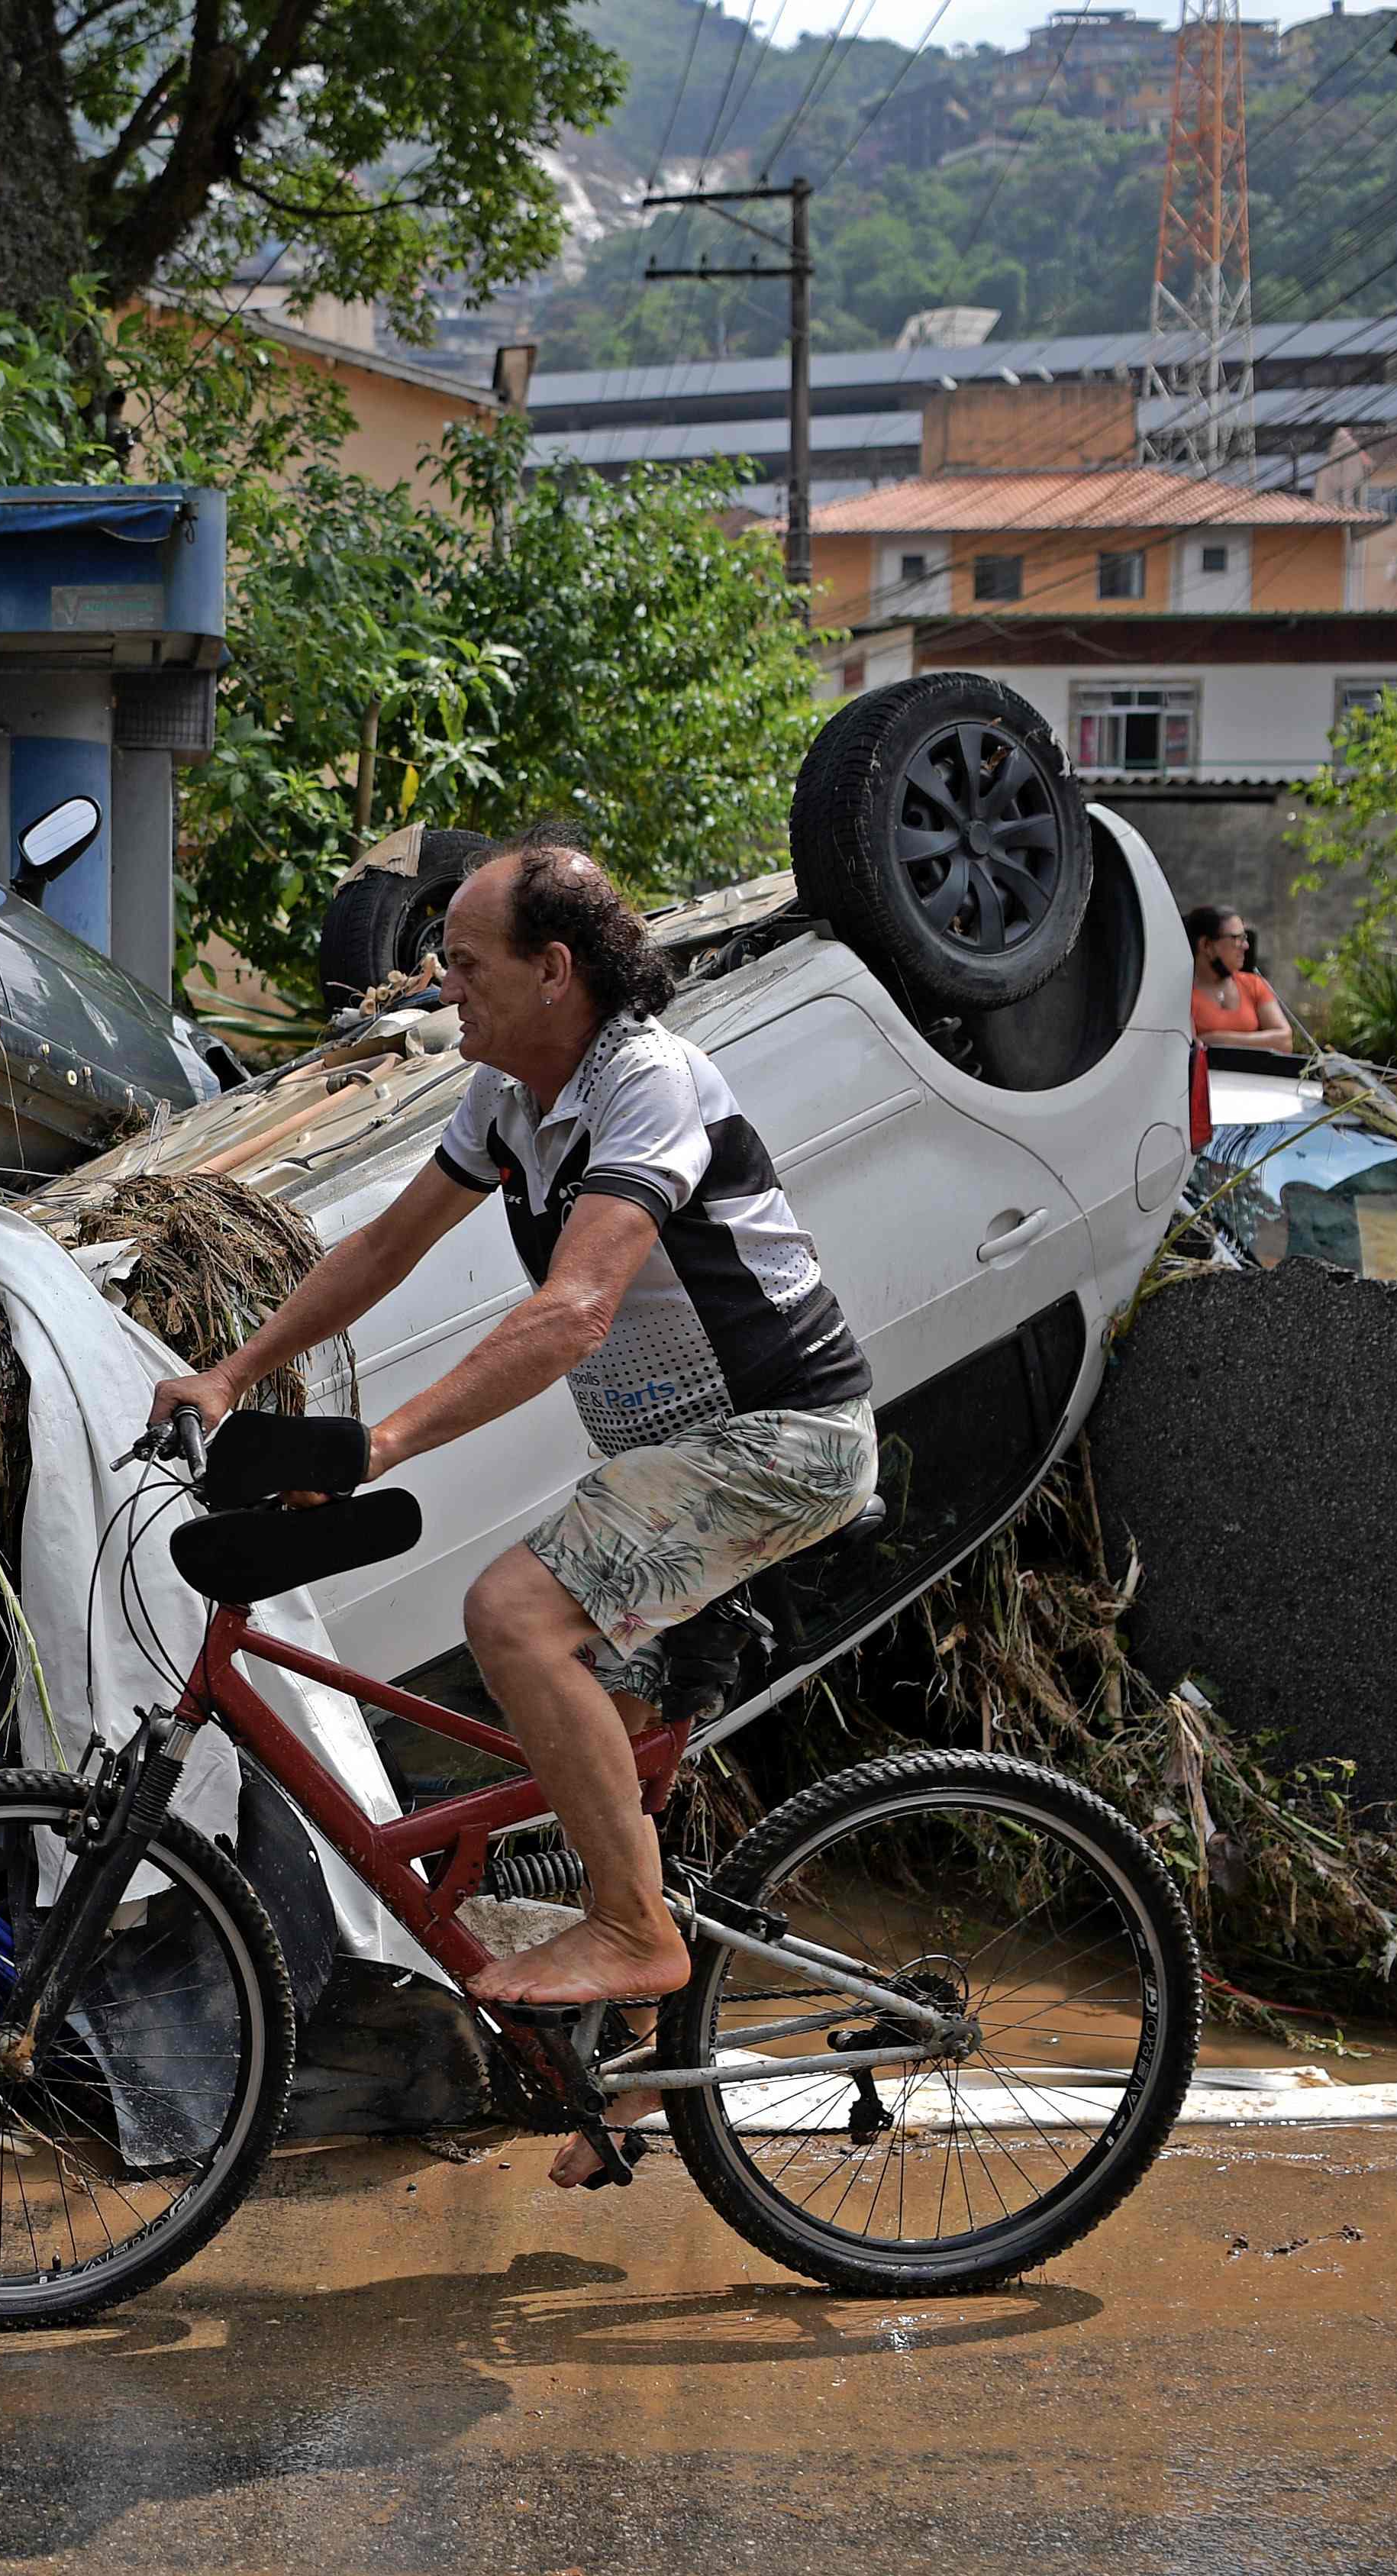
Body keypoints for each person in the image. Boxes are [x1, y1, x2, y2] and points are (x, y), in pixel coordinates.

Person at [148, 837, 879, 2183]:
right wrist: (231, 1371)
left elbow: (574, 1310)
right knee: (623, 1756)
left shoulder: (646, 1085)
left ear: (556, 971)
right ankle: (653, 2066)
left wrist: (382, 1442)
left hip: (776, 1440)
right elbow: (381, 1246)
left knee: (512, 1615)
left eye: (468, 964)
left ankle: (631, 1933)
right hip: (677, 1454)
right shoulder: (509, 1094)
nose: (444, 984)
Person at [1186, 904, 1295, 1052]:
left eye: (1245, 937)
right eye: (1237, 938)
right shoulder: (1184, 995)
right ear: (1206, 945)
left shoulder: (1254, 984)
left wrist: (1217, 1040)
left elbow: (1284, 1041)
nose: (1245, 946)